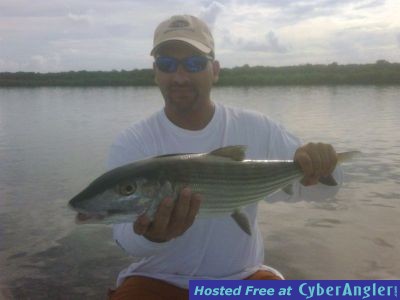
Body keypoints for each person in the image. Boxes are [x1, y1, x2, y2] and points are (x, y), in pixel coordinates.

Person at [108, 15, 342, 300]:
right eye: (167, 64)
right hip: (157, 279)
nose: (179, 76)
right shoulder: (133, 141)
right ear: (155, 72)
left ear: (215, 70)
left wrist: (322, 163)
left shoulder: (257, 128)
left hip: (242, 278)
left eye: (194, 63)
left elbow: (327, 191)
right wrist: (151, 237)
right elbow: (122, 238)